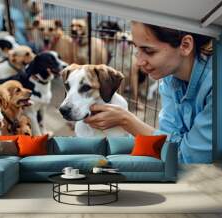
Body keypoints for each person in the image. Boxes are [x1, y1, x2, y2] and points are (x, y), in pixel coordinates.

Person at [84, 21, 213, 163]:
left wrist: (126, 120)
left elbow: (186, 158)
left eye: (149, 51)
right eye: (136, 48)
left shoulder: (217, 86)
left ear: (185, 45)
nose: (139, 61)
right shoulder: (170, 80)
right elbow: (169, 142)